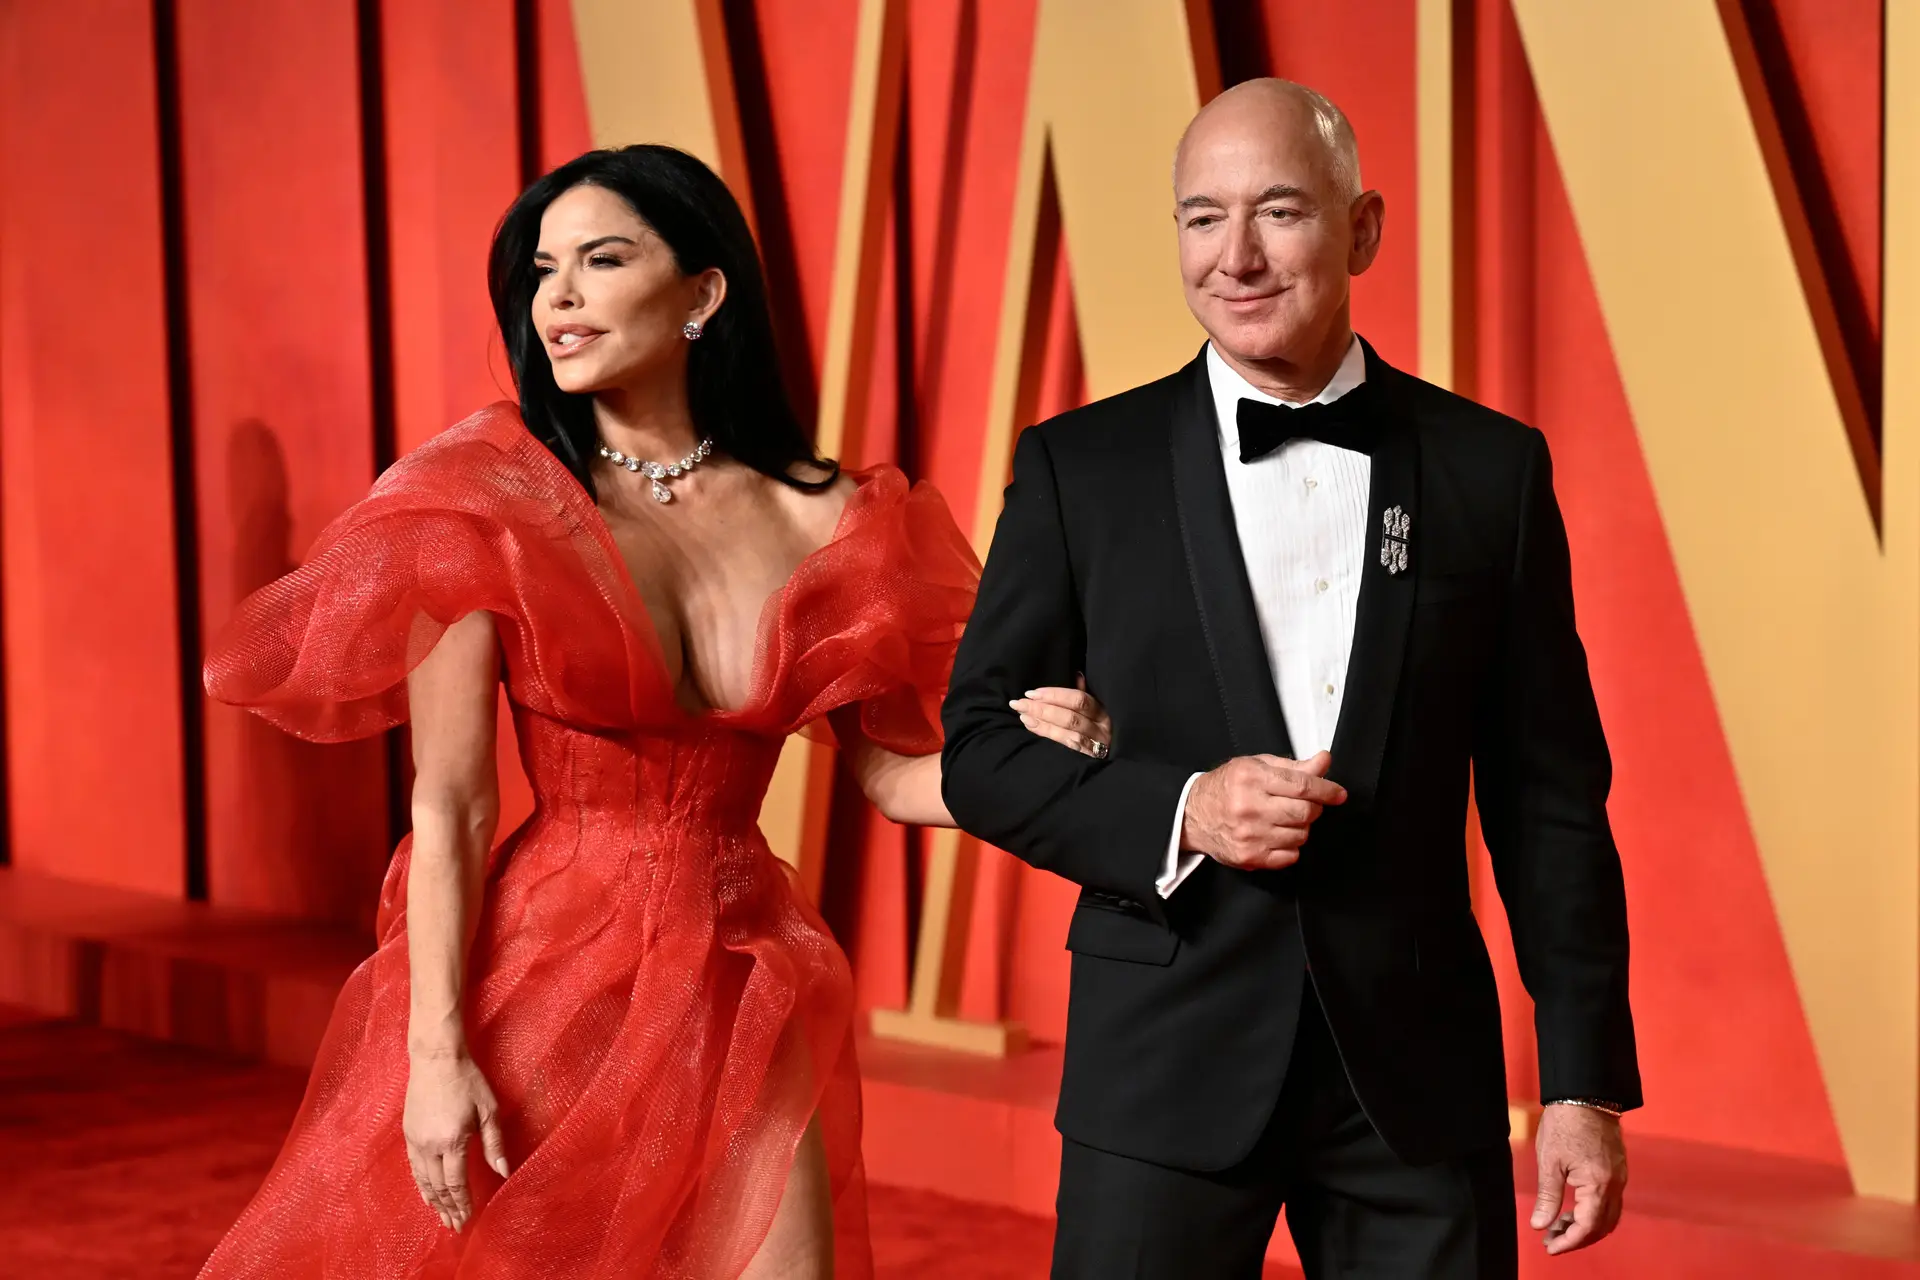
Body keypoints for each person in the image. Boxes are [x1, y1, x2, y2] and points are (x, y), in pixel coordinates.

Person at [197, 144, 1112, 1280]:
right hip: (539, 971)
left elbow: (889, 775)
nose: (559, 298)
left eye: (602, 258)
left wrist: (1028, 756)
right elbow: (452, 803)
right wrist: (436, 1048)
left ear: (703, 293)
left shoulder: (833, 517)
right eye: (542, 269)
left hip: (747, 972)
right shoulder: (481, 501)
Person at [941, 78, 1640, 1279]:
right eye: (1202, 219)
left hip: (1413, 1084)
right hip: (1160, 1065)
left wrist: (1581, 1080)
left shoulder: (1490, 471)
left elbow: (1551, 801)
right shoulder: (1081, 468)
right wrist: (1182, 809)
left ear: (1361, 228)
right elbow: (977, 751)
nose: (1238, 256)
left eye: (1280, 211)